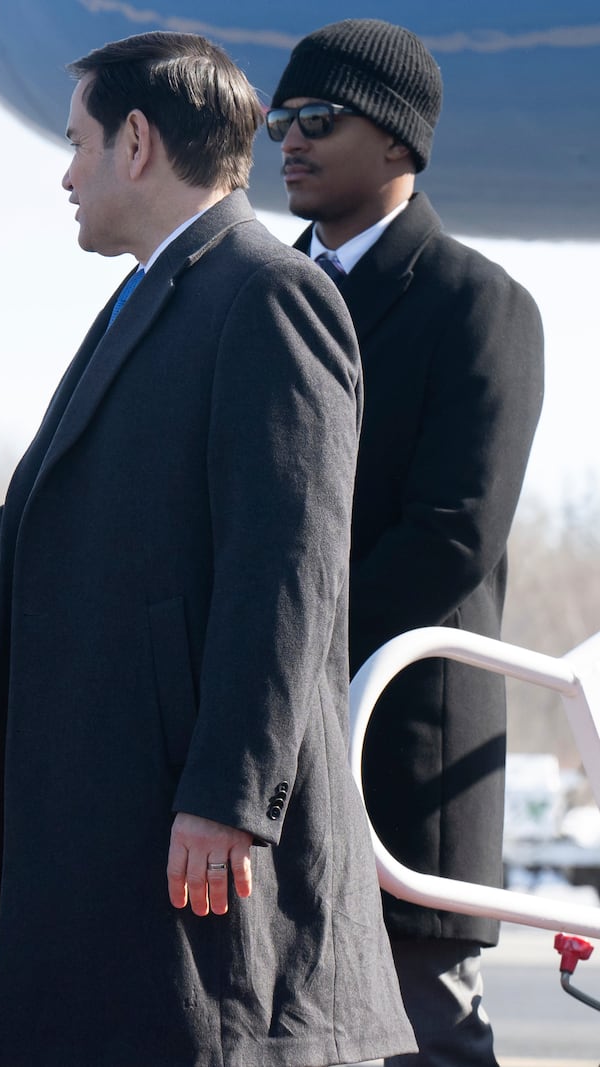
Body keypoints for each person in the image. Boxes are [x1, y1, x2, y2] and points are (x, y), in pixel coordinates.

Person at [0, 32, 416, 1067]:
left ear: (136, 142)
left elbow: (287, 575)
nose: (66, 173)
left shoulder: (267, 294)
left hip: (193, 853)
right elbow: (32, 542)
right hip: (109, 850)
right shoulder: (154, 296)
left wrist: (228, 794)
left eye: (79, 142)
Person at [270, 19, 545, 1064]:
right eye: (277, 123)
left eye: (316, 121)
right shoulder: (250, 299)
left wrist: (279, 651)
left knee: (417, 1038)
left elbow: (450, 536)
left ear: (396, 141)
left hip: (394, 748)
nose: (286, 142)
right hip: (255, 757)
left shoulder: (478, 306)